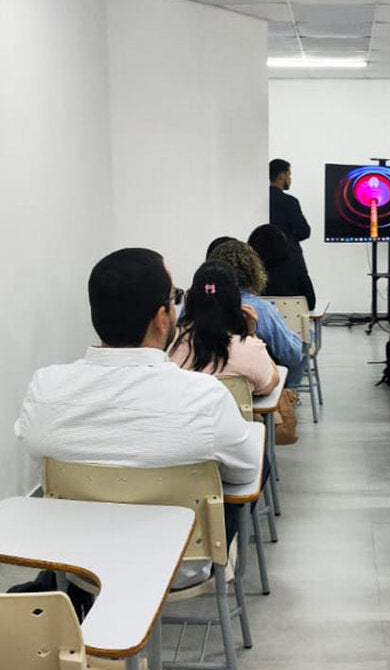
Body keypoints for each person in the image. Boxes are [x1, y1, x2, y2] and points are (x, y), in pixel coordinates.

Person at [15, 248, 262, 589]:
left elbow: (32, 450)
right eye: (174, 299)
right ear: (162, 317)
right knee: (237, 477)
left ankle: (68, 592)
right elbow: (247, 471)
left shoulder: (45, 387)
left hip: (78, 559)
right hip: (178, 566)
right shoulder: (205, 396)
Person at [168, 260, 280, 396]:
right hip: (231, 417)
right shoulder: (250, 350)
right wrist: (251, 335)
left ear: (191, 299)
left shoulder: (169, 347)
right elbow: (272, 382)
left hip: (183, 417)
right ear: (235, 300)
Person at [208, 240, 305, 386]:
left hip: (204, 392)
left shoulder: (193, 307)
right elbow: (291, 355)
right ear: (253, 271)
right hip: (254, 394)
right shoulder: (261, 310)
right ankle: (289, 395)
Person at [248, 224, 316, 309]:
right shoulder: (297, 270)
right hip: (292, 322)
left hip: (258, 321)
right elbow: (311, 304)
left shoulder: (250, 273)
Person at [268, 159, 312, 275]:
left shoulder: (259, 199)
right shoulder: (289, 202)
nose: (290, 179)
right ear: (282, 175)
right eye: (289, 175)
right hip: (290, 261)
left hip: (265, 263)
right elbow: (304, 231)